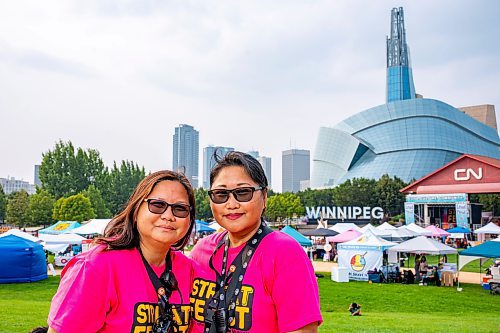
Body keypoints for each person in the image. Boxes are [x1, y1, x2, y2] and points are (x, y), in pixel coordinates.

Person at [47, 170, 196, 333]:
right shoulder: (97, 266)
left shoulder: (188, 269)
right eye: (157, 205)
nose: (168, 216)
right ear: (136, 211)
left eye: (180, 208)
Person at [189, 151, 322, 333]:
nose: (231, 204)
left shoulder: (284, 252)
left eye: (243, 193)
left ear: (264, 196)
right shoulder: (201, 251)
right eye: (221, 194)